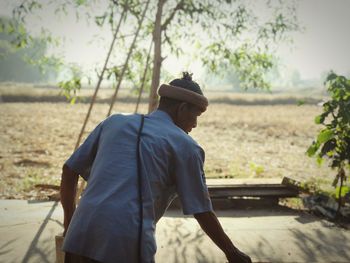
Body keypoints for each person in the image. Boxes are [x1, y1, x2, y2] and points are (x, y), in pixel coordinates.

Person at [60, 72, 252, 263]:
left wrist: (70, 222)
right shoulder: (186, 146)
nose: (195, 124)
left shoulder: (113, 122)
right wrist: (232, 252)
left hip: (80, 234)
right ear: (182, 108)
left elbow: (69, 170)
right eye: (196, 116)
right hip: (126, 241)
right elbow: (201, 209)